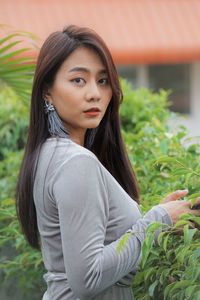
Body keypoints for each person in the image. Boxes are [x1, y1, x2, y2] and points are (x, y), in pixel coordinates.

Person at [16, 25, 200, 300]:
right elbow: (88, 279)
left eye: (103, 81)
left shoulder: (48, 153)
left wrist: (162, 218)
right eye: (78, 80)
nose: (95, 94)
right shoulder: (76, 162)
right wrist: (157, 220)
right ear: (47, 91)